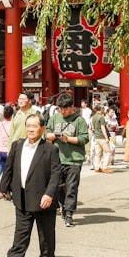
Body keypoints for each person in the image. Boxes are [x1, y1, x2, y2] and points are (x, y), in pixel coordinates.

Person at [0, 114, 61, 257]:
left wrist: (49, 195)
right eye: (28, 126)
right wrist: (4, 187)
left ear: (42, 129)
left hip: (43, 200)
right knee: (21, 232)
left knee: (46, 234)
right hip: (22, 198)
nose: (30, 129)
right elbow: (9, 168)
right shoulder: (17, 145)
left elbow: (56, 174)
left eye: (34, 126)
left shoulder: (50, 149)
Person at [46, 93, 89, 227]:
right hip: (57, 158)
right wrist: (52, 136)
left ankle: (69, 213)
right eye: (60, 109)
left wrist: (67, 139)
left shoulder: (79, 120)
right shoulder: (54, 118)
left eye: (65, 109)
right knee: (57, 187)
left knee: (71, 187)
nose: (63, 112)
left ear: (72, 107)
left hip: (73, 159)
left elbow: (84, 139)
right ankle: (64, 206)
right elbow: (46, 132)